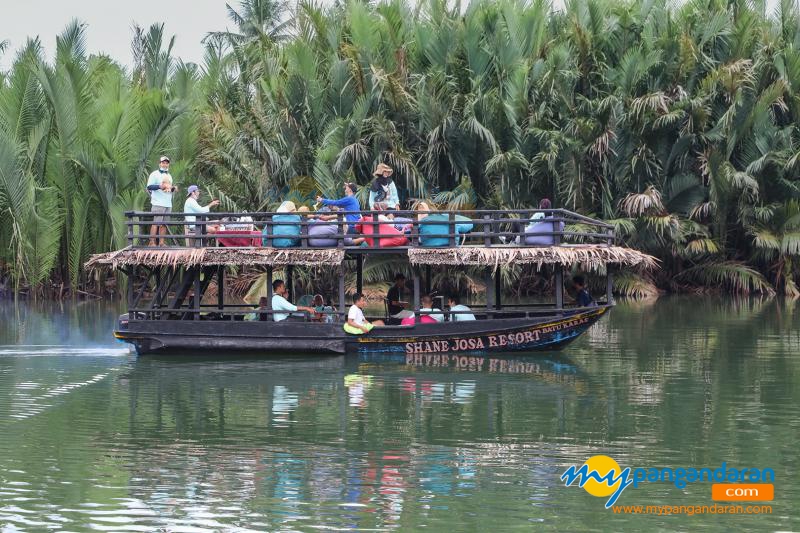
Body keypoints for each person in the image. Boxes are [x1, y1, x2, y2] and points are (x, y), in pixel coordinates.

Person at [146, 156, 178, 245]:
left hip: (168, 203)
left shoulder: (169, 175)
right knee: (156, 223)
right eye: (163, 162)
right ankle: (152, 242)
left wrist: (173, 188)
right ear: (159, 163)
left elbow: (168, 189)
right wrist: (160, 186)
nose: (165, 164)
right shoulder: (154, 174)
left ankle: (161, 242)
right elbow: (149, 187)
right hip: (158, 202)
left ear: (168, 164)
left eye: (166, 163)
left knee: (164, 224)